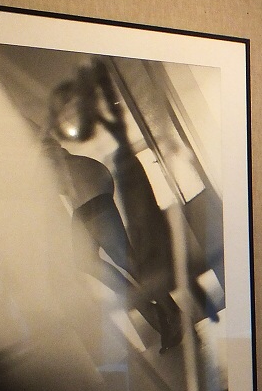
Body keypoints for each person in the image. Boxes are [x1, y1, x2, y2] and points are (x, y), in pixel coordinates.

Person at [39, 58, 183, 354]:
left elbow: (54, 157)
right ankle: (160, 313)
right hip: (88, 197)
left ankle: (165, 314)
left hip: (90, 197)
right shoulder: (50, 156)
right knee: (98, 261)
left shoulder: (46, 153)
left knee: (125, 260)